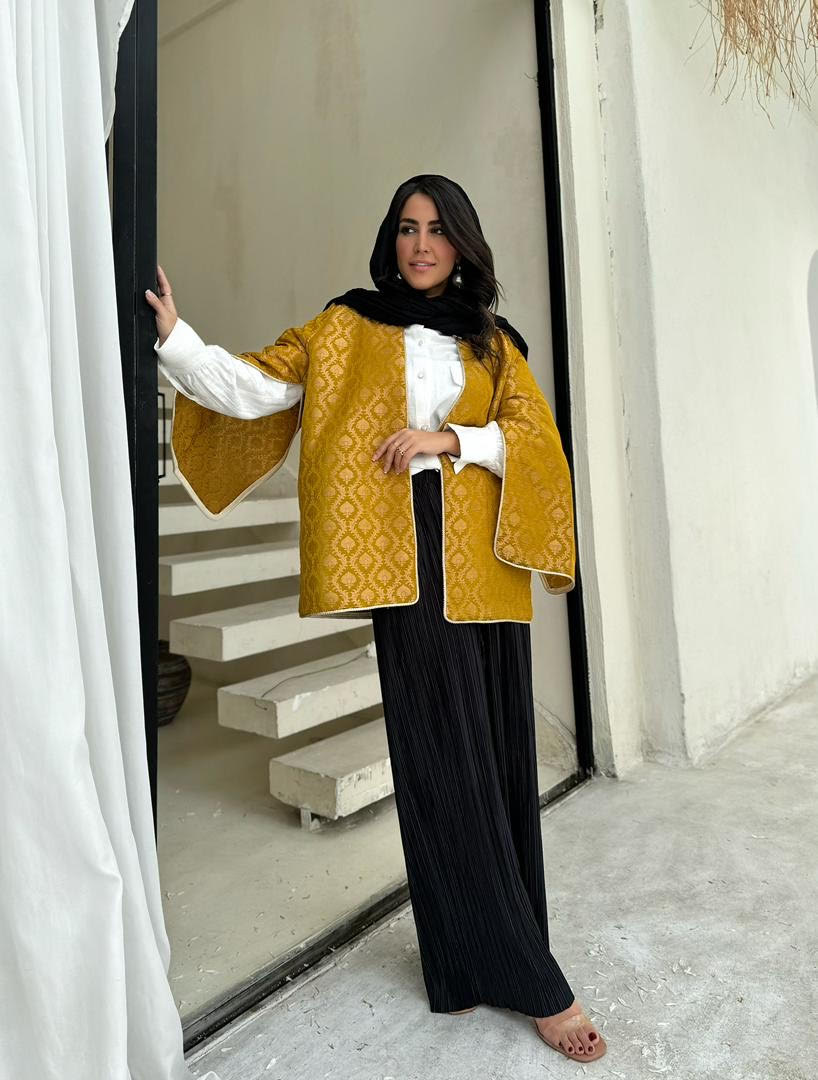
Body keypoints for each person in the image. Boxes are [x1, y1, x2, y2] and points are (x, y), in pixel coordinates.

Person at [146, 174, 605, 1063]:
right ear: (391, 240)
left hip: (485, 559)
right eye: (406, 228)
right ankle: (535, 983)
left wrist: (449, 438)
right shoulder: (347, 326)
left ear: (462, 243)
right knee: (443, 758)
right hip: (407, 555)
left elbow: (534, 439)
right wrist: (177, 338)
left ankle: (467, 964)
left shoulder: (492, 340)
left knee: (498, 757)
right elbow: (254, 389)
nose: (419, 244)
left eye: (436, 229)